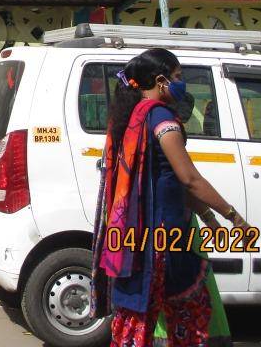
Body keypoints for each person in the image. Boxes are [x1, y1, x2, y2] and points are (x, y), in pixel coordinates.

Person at [91, 48, 250, 347]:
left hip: (133, 235)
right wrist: (234, 217)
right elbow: (189, 179)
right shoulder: (163, 119)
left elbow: (168, 181)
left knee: (138, 315)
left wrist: (207, 216)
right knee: (187, 309)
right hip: (166, 239)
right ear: (161, 81)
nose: (181, 83)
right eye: (178, 77)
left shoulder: (130, 118)